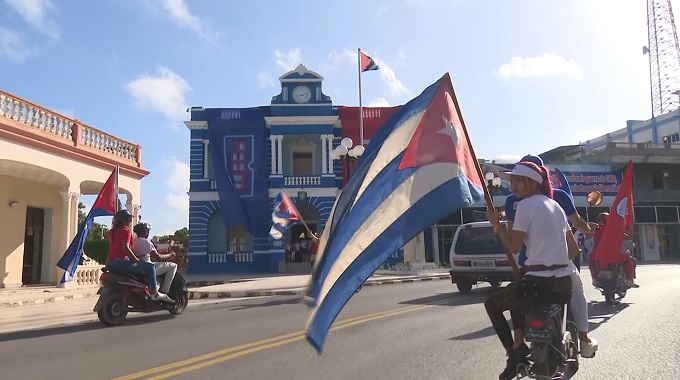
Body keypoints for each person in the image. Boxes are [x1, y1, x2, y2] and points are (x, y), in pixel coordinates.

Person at [484, 156, 598, 380]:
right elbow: (573, 250)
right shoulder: (555, 205)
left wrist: (496, 224)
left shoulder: (525, 205)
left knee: (492, 304)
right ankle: (583, 339)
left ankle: (515, 354)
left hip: (536, 284)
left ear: (533, 183)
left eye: (519, 181)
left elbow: (514, 246)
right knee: (523, 294)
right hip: (562, 282)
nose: (513, 185)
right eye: (512, 181)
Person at [105, 210, 171, 303]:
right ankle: (154, 292)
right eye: (129, 219)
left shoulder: (111, 232)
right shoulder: (126, 231)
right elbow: (125, 248)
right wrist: (135, 260)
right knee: (150, 267)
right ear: (123, 220)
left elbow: (114, 247)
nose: (130, 221)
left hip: (110, 262)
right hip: (121, 263)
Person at [588, 212, 638, 288]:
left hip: (599, 254)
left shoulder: (598, 229)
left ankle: (595, 279)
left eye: (601, 220)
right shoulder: (614, 229)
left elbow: (589, 235)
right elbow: (629, 237)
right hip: (614, 254)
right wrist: (631, 224)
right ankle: (629, 280)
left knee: (590, 259)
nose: (600, 222)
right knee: (627, 259)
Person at [132, 223, 178, 302]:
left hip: (138, 267)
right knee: (173, 266)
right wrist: (171, 254)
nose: (148, 233)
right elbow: (159, 257)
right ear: (144, 232)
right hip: (148, 267)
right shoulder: (147, 242)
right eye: (147, 231)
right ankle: (165, 291)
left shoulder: (134, 241)